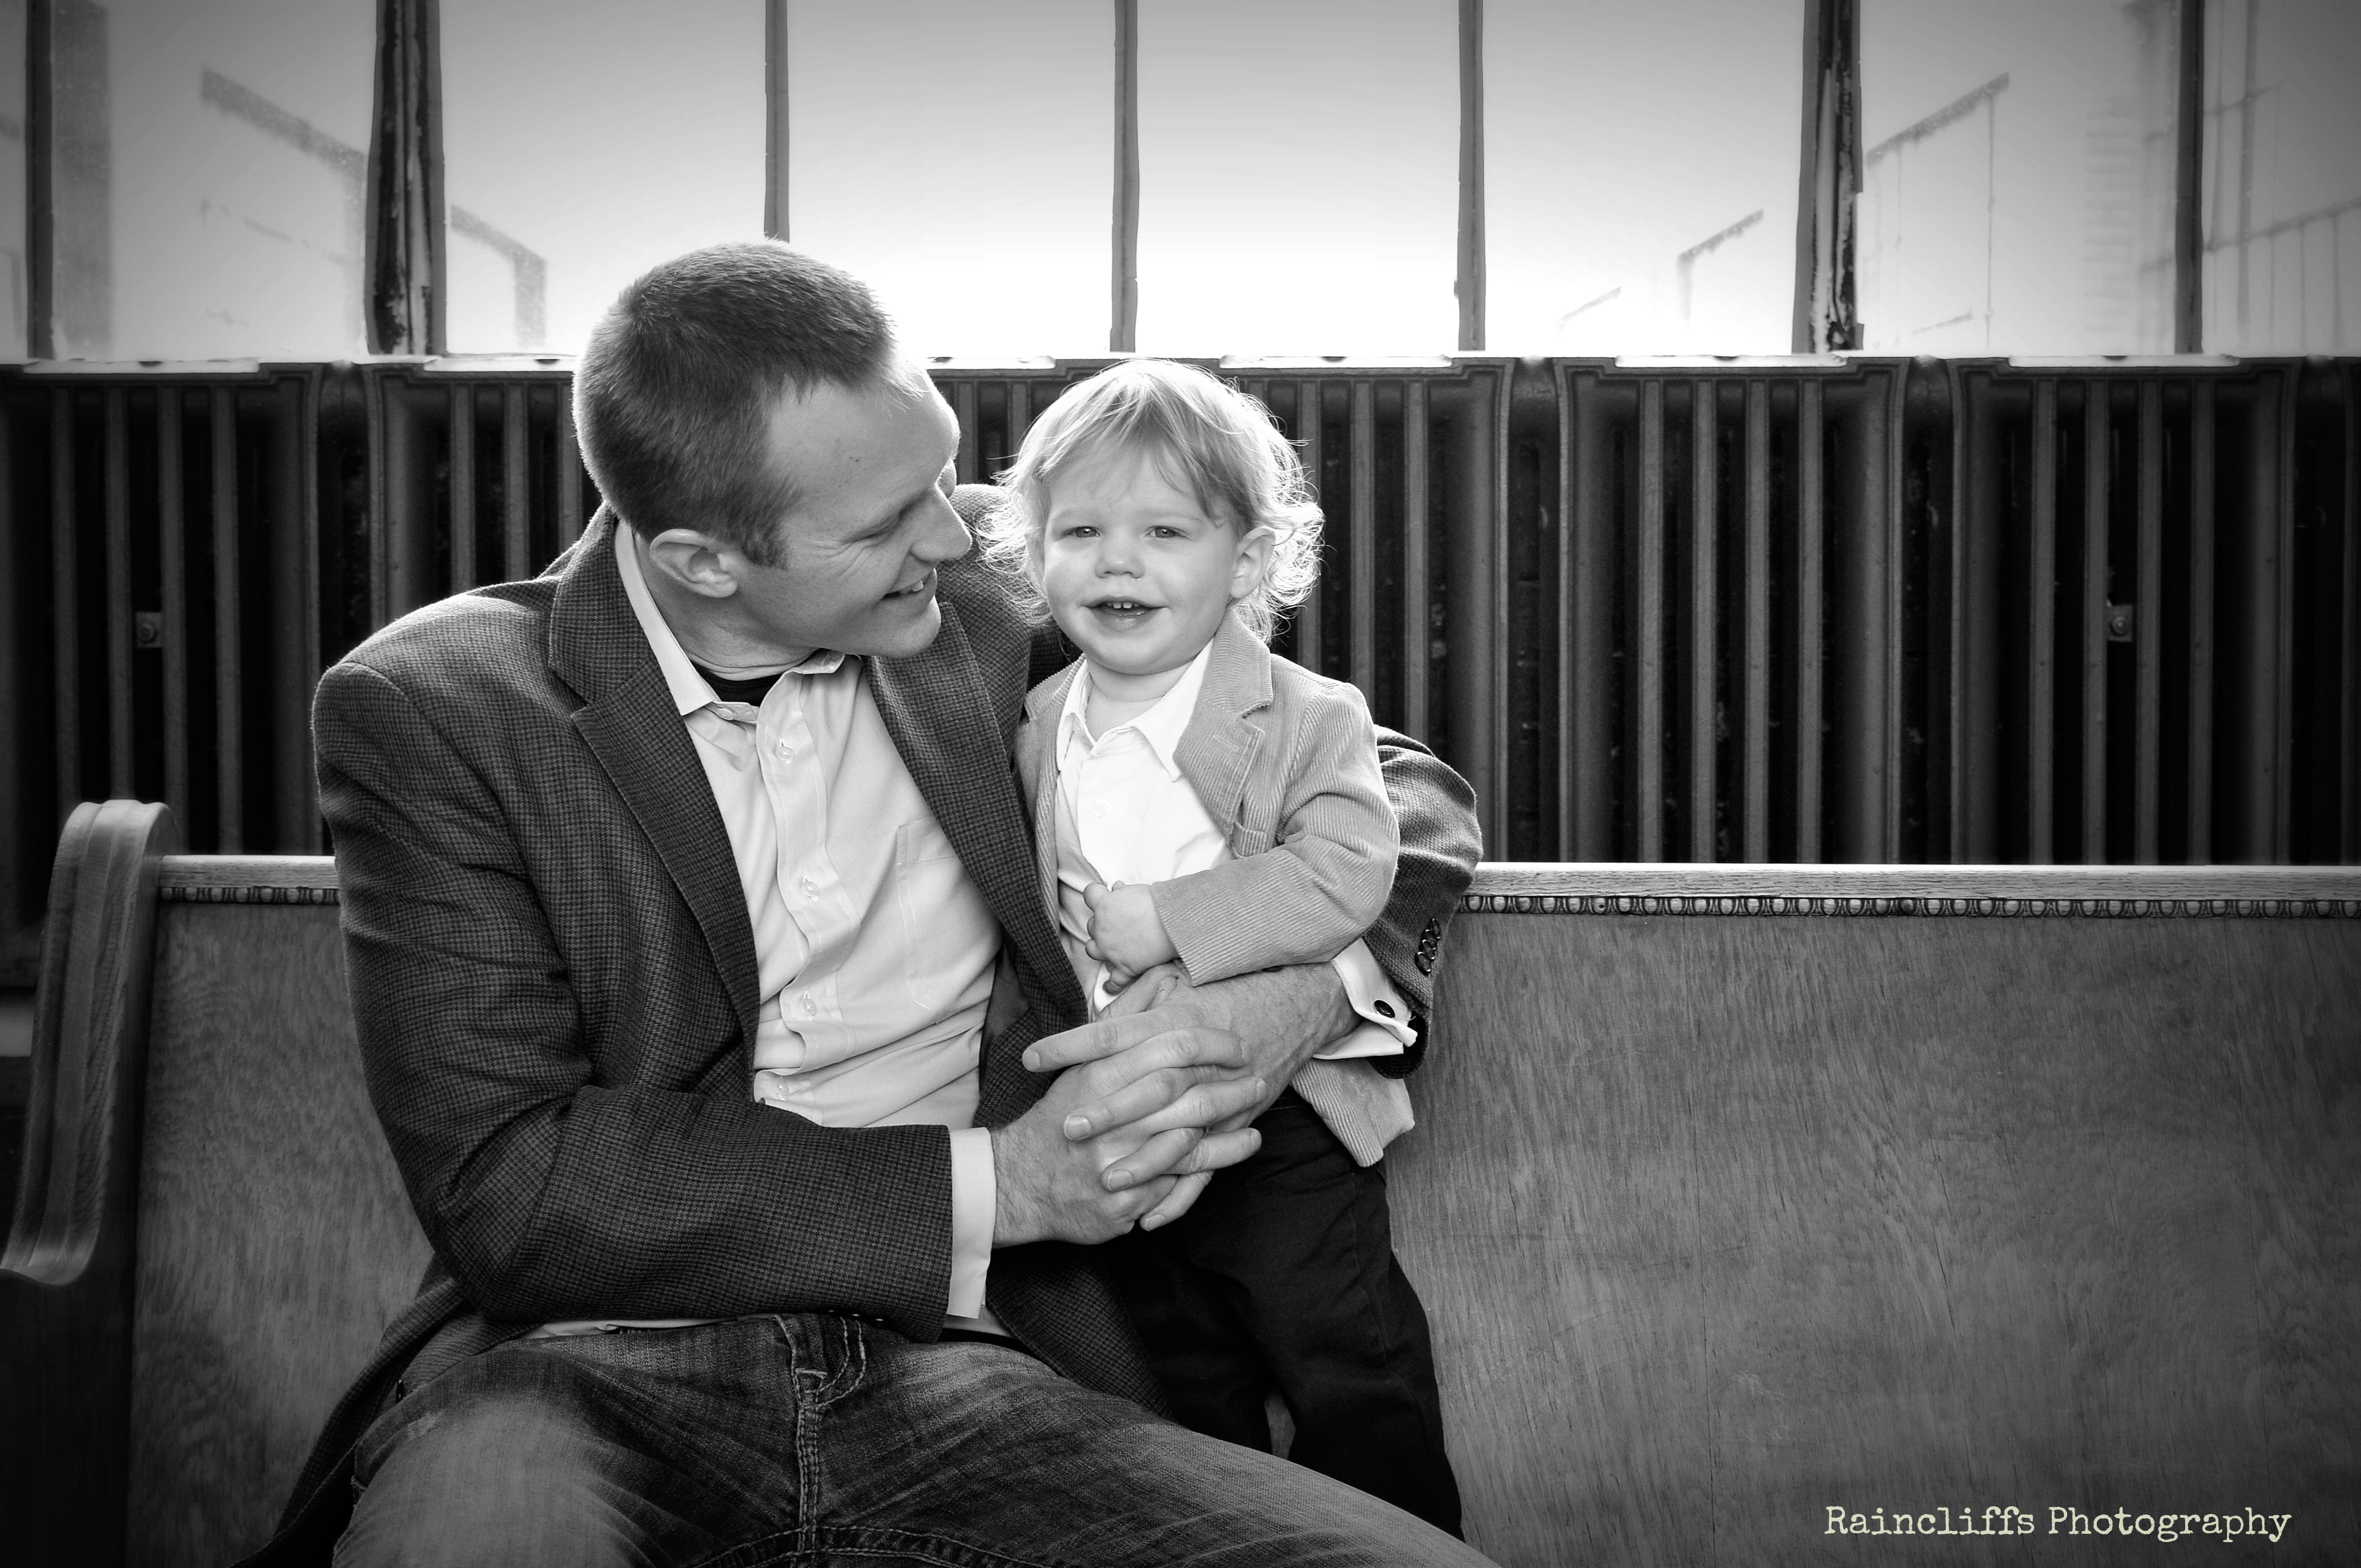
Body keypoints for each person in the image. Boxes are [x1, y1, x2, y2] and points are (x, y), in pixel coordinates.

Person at [238, 240, 1489, 1567]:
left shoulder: (991, 596)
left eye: (937, 478)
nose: (951, 535)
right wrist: (1007, 1185)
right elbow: (517, 1187)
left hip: (990, 1372)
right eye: (888, 523)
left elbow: (1390, 782)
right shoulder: (439, 708)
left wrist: (1307, 997)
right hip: (573, 1377)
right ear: (703, 560)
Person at [985, 359, 1462, 1532]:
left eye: (1163, 532)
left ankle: (1403, 1545)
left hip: (1283, 1119)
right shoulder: (1035, 720)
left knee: (1346, 1356)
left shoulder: (1309, 713)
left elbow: (1350, 868)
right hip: (1119, 1111)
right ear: (1034, 555)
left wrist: (1174, 921)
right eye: (1080, 532)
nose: (1117, 562)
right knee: (1180, 1379)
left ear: (1245, 563)